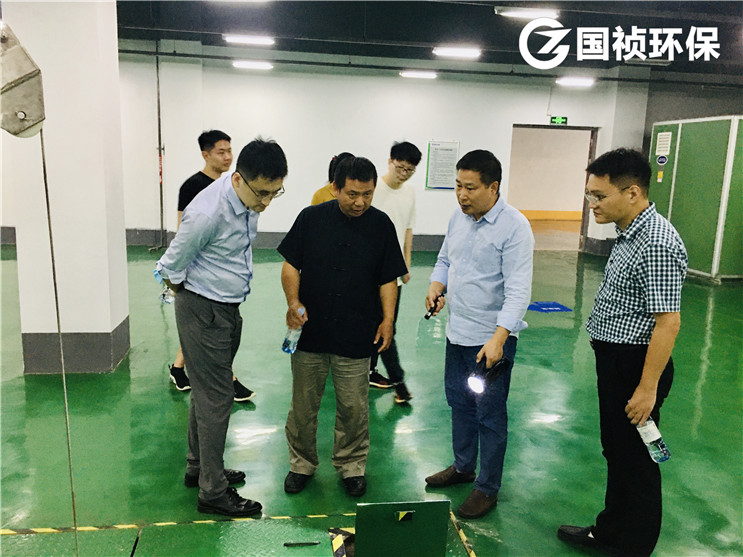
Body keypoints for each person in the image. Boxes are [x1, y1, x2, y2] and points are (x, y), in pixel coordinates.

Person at [557, 148, 687, 556]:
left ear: (632, 193)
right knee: (617, 451)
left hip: (636, 367)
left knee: (639, 463)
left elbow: (668, 323)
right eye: (589, 195)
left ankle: (634, 548)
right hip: (616, 361)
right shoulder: (629, 232)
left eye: (599, 196)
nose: (592, 204)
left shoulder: (656, 242)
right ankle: (609, 531)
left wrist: (647, 389)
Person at [155, 138, 288, 517]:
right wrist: (195, 303)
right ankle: (212, 492)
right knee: (218, 398)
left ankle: (199, 467)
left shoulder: (246, 201)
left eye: (275, 193)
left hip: (227, 307)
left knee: (206, 393)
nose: (266, 202)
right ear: (239, 179)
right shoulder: (207, 212)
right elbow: (168, 267)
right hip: (205, 309)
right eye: (262, 193)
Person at [278, 156, 407, 497]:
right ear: (335, 188)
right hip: (311, 330)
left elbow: (388, 279)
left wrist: (388, 320)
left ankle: (351, 465)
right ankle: (301, 464)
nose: (360, 202)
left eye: (367, 194)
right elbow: (290, 266)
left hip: (357, 331)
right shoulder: (311, 219)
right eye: (352, 194)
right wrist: (293, 302)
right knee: (303, 405)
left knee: (354, 406)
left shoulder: (381, 225)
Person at [424, 149, 534, 519]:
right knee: (459, 402)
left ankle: (487, 488)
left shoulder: (515, 227)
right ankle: (463, 466)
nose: (461, 194)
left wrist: (499, 338)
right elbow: (445, 259)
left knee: (489, 414)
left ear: (493, 187)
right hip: (456, 334)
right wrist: (436, 284)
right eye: (458, 186)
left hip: (490, 341)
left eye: (470, 188)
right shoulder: (458, 217)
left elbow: (518, 291)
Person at [167, 130, 255, 404]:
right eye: (221, 152)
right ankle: (226, 379)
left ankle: (179, 368)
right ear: (205, 154)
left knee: (207, 333)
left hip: (227, 278)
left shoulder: (235, 185)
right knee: (207, 331)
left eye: (230, 151)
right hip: (201, 275)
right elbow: (185, 231)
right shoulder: (193, 186)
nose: (228, 157)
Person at [367, 141, 422, 403]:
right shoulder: (374, 190)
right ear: (390, 162)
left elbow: (408, 229)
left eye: (409, 170)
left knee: (387, 326)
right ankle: (399, 382)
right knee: (382, 326)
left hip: (393, 275)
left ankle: (369, 370)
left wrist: (406, 263)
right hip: (369, 273)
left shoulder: (409, 192)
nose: (403, 174)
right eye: (400, 167)